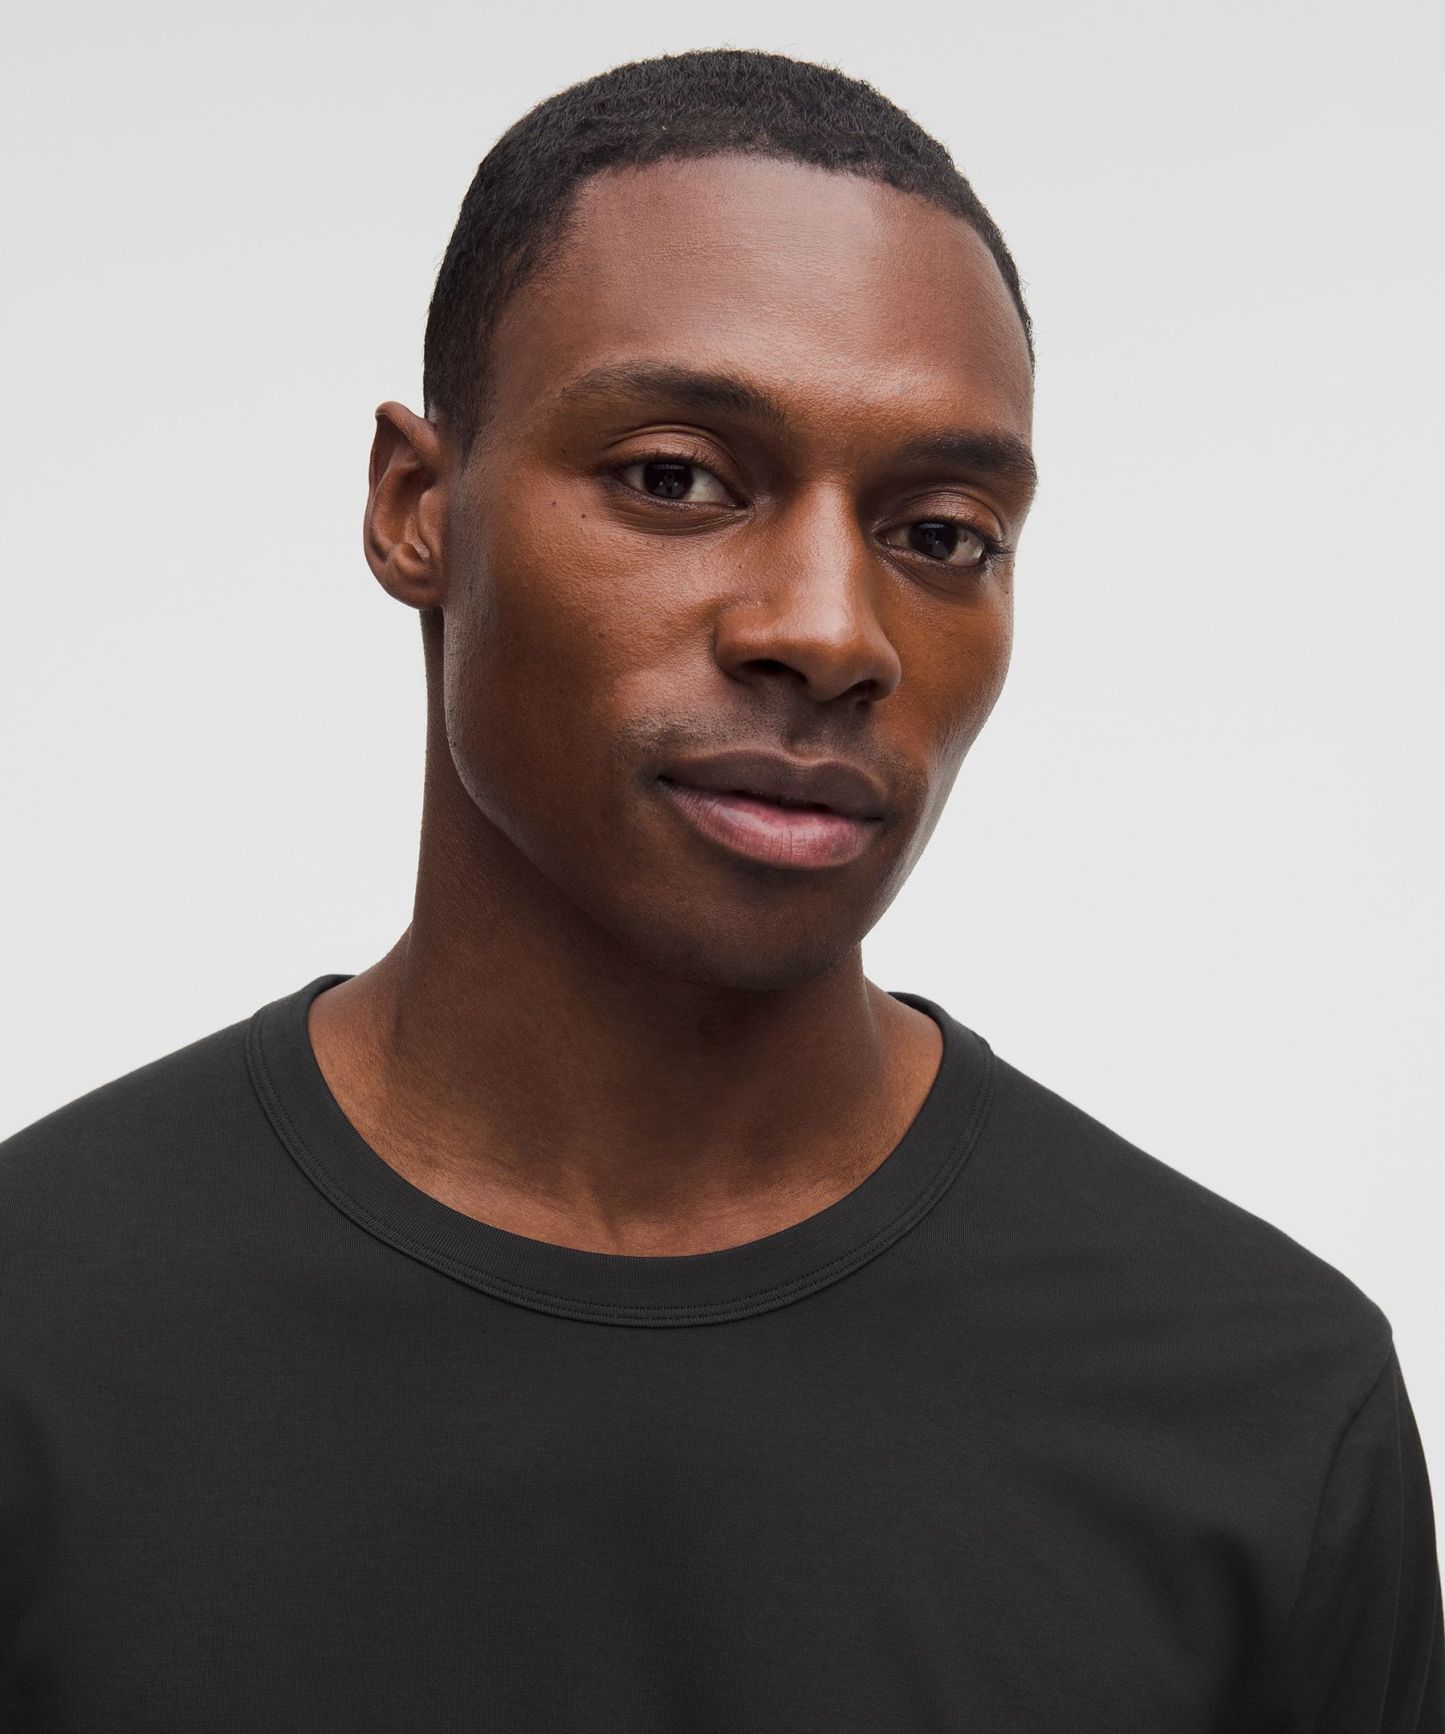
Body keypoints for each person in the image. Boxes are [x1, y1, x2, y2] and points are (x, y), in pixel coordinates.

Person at [1, 45, 1439, 1732]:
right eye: (676, 477)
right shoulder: (38, 1336)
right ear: (415, 508)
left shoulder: (1261, 1407)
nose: (828, 631)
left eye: (940, 532)